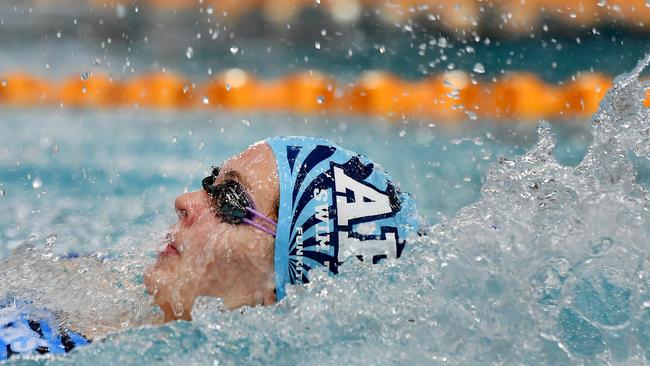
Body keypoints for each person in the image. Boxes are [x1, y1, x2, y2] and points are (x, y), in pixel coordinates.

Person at [0, 136, 420, 359]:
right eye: (209, 184)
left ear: (281, 288)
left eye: (232, 201)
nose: (184, 201)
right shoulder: (89, 278)